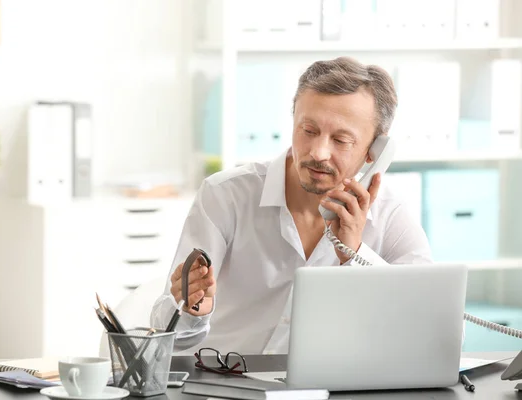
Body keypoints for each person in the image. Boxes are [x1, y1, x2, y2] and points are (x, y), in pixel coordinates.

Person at [150, 57, 432, 355]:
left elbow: (436, 331)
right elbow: (167, 335)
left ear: (376, 151)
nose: (319, 152)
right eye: (308, 131)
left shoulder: (390, 213)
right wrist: (192, 311)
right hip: (224, 385)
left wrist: (356, 255)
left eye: (341, 140)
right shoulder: (225, 196)